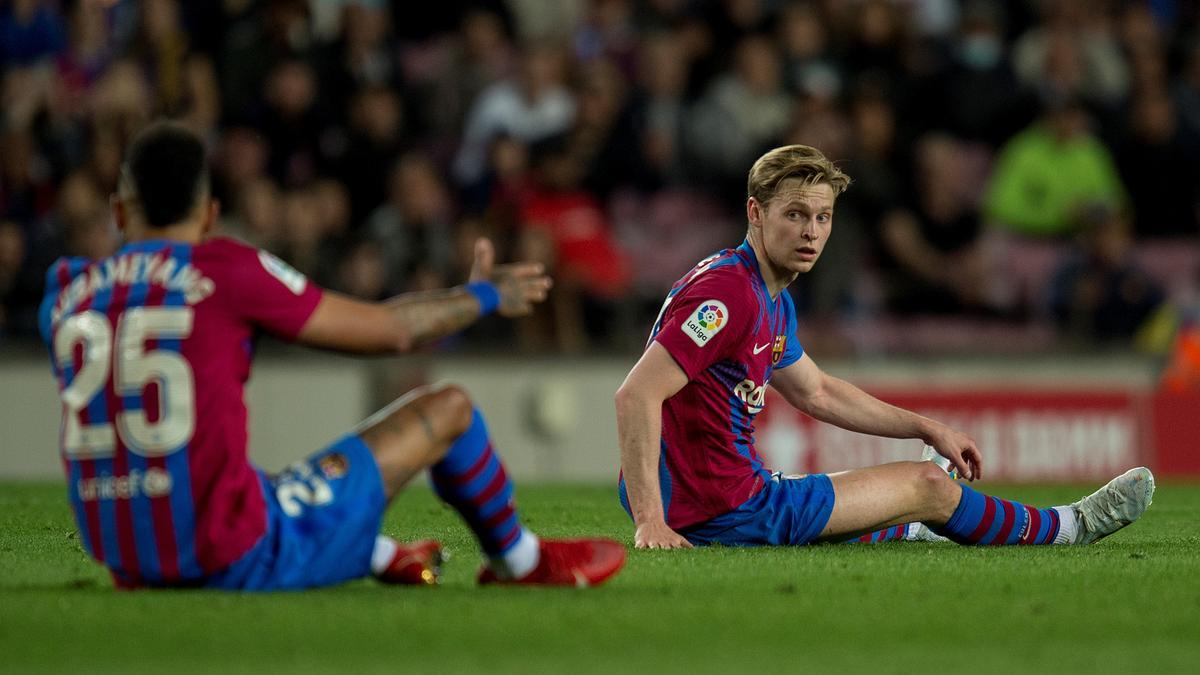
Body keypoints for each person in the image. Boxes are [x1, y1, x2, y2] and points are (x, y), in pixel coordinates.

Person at [39, 121, 625, 590]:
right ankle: (520, 564)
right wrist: (484, 294)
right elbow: (391, 331)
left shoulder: (65, 290)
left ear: (119, 212)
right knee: (449, 410)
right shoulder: (225, 269)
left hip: (129, 564)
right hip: (232, 557)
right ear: (211, 215)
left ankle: (378, 553)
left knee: (243, 481)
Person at [615, 144, 1154, 550]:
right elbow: (635, 394)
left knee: (890, 499)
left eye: (822, 217)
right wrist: (650, 521)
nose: (811, 232)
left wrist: (926, 426)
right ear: (755, 213)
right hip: (726, 505)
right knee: (927, 483)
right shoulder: (732, 293)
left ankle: (920, 525)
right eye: (795, 214)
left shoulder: (765, 294)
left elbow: (818, 392)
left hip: (711, 493)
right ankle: (1071, 526)